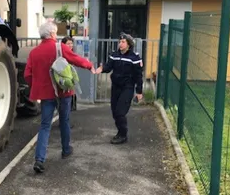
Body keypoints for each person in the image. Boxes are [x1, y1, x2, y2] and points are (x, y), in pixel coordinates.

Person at [25, 22, 95, 173]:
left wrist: (37, 87)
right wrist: (89, 65)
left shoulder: (34, 53)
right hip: (63, 92)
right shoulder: (60, 47)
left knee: (45, 125)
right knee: (64, 120)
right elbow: (75, 59)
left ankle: (39, 159)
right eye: (55, 33)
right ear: (51, 34)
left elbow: (27, 75)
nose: (56, 35)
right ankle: (65, 150)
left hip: (45, 95)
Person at [95, 32, 143, 145]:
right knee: (114, 112)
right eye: (119, 42)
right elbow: (108, 66)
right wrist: (101, 69)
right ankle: (120, 132)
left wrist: (139, 92)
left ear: (129, 44)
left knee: (120, 112)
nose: (120, 44)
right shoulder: (114, 55)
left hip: (127, 87)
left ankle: (123, 134)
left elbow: (138, 76)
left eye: (123, 42)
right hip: (116, 87)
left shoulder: (134, 57)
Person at [61, 36, 77, 111]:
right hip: (64, 81)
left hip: (70, 81)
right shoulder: (63, 55)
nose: (70, 45)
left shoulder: (72, 53)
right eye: (68, 43)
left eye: (71, 43)